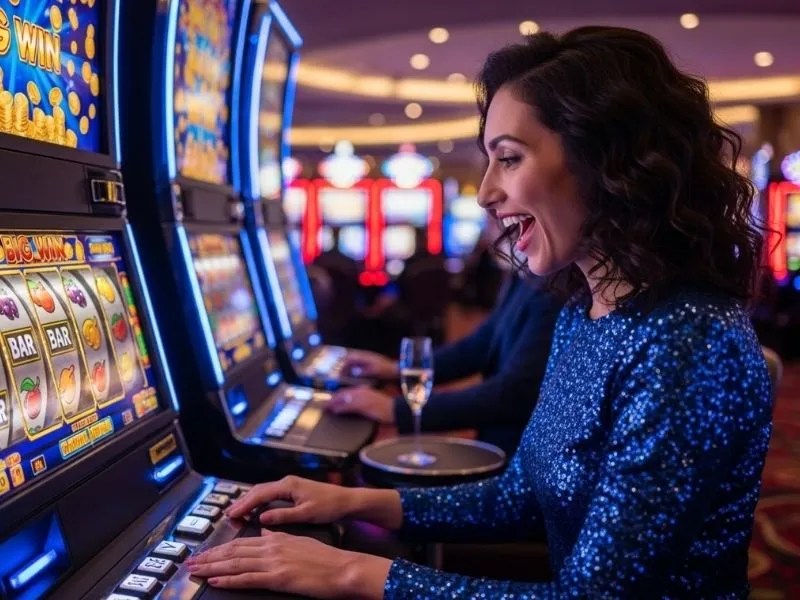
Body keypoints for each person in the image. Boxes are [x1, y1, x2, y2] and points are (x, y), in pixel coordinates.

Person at [183, 26, 773, 598]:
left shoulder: (689, 343)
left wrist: (349, 573)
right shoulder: (587, 310)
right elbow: (523, 493)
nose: (486, 191)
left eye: (509, 159)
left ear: (607, 161)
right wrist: (356, 503)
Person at [325, 272, 562, 455]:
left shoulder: (555, 286)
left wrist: (394, 409)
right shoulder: (527, 275)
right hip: (494, 444)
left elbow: (514, 393)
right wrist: (397, 369)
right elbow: (479, 345)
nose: (496, 220)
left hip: (516, 460)